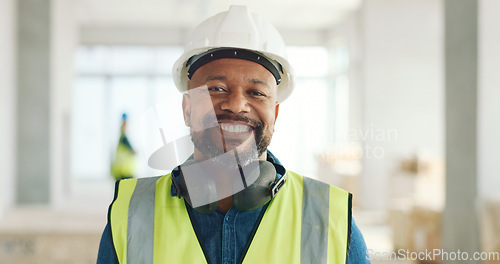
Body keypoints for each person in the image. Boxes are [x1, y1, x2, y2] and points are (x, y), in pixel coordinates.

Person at [97, 5, 370, 264]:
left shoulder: (329, 218)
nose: (236, 104)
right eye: (216, 88)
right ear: (188, 108)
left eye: (256, 92)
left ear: (274, 115)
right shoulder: (130, 214)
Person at [110, 113, 136, 180]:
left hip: (120, 171)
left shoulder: (121, 137)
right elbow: (133, 152)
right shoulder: (123, 138)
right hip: (124, 171)